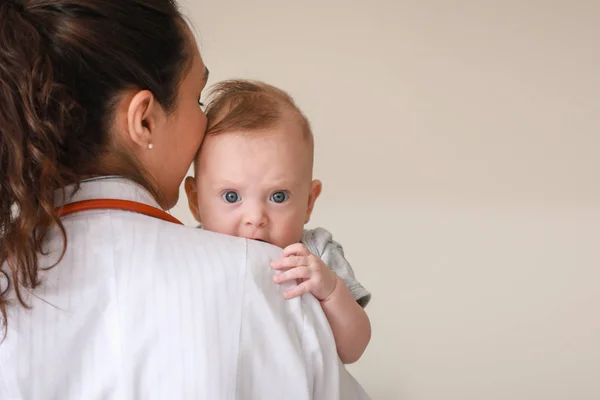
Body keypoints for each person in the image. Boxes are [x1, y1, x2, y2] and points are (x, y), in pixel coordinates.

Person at [0, 0, 369, 399]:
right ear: (144, 120)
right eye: (197, 100)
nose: (206, 124)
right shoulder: (267, 280)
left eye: (277, 196)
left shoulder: (11, 279)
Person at [184, 80, 372, 364]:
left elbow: (353, 349)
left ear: (309, 202)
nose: (255, 218)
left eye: (278, 196)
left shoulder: (316, 253)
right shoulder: (190, 253)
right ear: (196, 200)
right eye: (232, 196)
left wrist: (331, 290)